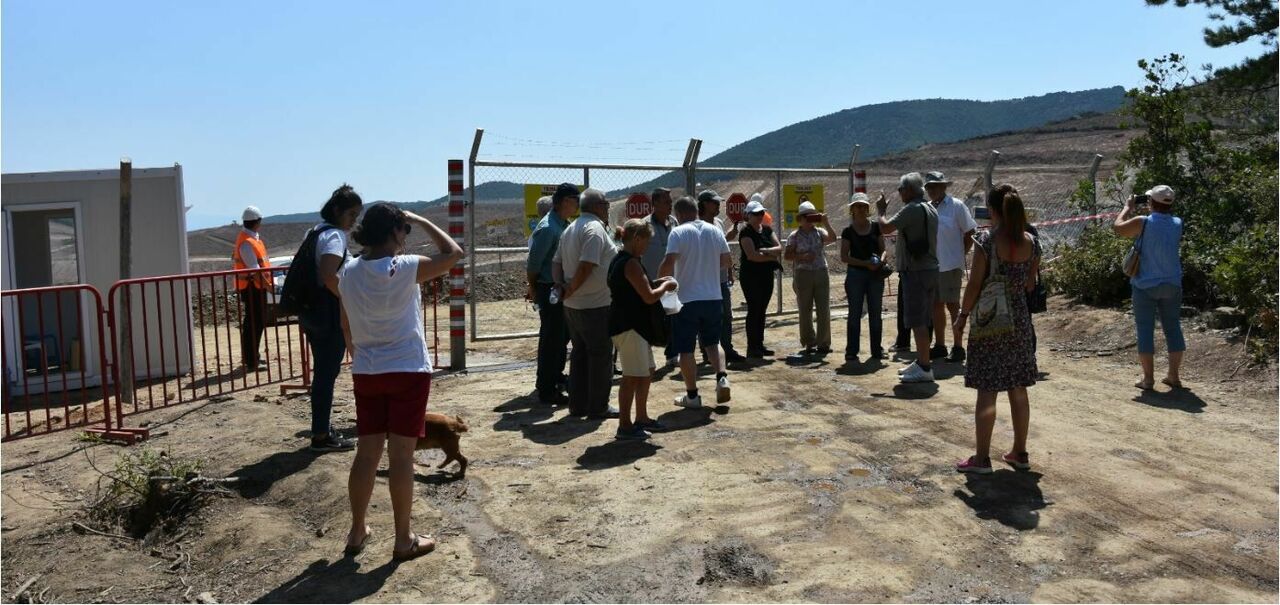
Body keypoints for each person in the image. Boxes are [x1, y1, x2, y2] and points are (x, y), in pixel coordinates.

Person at [339, 202, 463, 560]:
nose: (405, 235)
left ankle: (357, 530)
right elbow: (453, 254)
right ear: (395, 231)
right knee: (402, 457)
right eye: (403, 229)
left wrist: (360, 354)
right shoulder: (405, 267)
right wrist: (421, 220)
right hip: (407, 370)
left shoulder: (348, 272)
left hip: (367, 371)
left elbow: (346, 323)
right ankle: (403, 539)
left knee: (367, 454)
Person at [953, 191, 1039, 474]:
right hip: (1020, 322)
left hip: (990, 321)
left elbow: (975, 284)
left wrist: (962, 316)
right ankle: (1020, 452)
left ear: (992, 210)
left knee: (987, 389)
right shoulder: (1032, 242)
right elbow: (1029, 284)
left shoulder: (987, 241)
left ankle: (981, 458)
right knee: (1018, 386)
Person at [303, 186, 364, 452]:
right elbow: (329, 275)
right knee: (326, 374)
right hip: (328, 315)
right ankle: (320, 436)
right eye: (351, 214)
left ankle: (322, 429)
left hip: (312, 313)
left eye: (357, 215)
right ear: (337, 211)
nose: (354, 221)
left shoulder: (315, 231)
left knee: (323, 373)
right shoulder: (334, 237)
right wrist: (348, 298)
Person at [609, 219, 679, 440]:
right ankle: (625, 426)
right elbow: (648, 296)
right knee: (631, 377)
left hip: (634, 327)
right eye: (646, 242)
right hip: (630, 327)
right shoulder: (630, 263)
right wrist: (665, 286)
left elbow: (639, 287)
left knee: (647, 371)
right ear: (637, 239)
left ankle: (641, 417)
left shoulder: (623, 260)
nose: (647, 247)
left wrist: (657, 281)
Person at [660, 196, 732, 408]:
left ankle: (692, 396)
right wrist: (707, 268)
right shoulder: (715, 230)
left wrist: (658, 283)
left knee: (686, 349)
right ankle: (722, 377)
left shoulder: (678, 232)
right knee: (713, 342)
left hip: (686, 299)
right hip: (713, 297)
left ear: (679, 214)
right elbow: (727, 261)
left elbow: (669, 262)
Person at [554, 188, 619, 419]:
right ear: (597, 206)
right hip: (595, 306)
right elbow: (587, 265)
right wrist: (569, 289)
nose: (608, 208)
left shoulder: (571, 228)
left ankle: (578, 404)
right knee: (600, 356)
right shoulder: (594, 229)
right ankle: (598, 407)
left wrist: (561, 287)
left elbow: (556, 262)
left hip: (574, 306)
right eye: (606, 204)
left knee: (580, 355)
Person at [1113, 185, 1185, 390]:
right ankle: (1173, 376)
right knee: (1173, 328)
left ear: (1151, 202)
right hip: (1172, 283)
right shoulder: (1178, 223)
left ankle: (1148, 379)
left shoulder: (1142, 222)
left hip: (1145, 284)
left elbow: (1118, 228)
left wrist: (1127, 208)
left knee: (1145, 329)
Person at [877, 172, 939, 383]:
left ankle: (924, 367)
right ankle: (922, 361)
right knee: (924, 318)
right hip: (929, 269)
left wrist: (881, 211)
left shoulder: (912, 209)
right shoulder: (930, 208)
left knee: (917, 321)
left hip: (916, 271)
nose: (899, 192)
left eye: (901, 189)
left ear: (910, 190)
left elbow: (886, 227)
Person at [526, 183, 579, 406]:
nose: (577, 204)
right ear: (565, 201)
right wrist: (534, 288)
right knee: (552, 340)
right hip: (549, 288)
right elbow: (534, 264)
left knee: (560, 338)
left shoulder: (562, 224)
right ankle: (546, 389)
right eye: (575, 200)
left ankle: (555, 377)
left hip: (558, 289)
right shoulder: (548, 228)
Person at [925, 171, 977, 363]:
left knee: (953, 305)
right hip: (933, 266)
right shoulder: (927, 208)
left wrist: (959, 254)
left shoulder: (956, 206)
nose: (931, 190)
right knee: (935, 305)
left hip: (951, 265)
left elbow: (970, 232)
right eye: (929, 187)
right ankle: (940, 345)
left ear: (943, 187)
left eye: (935, 186)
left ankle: (958, 347)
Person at [697, 190, 746, 363]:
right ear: (705, 204)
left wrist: (729, 271)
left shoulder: (718, 222)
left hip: (721, 279)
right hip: (705, 280)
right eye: (715, 202)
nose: (718, 205)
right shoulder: (697, 226)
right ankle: (708, 352)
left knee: (726, 315)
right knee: (707, 317)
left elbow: (722, 247)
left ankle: (726, 349)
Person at [784, 201, 836, 358]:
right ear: (800, 218)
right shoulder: (794, 236)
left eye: (812, 216)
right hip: (803, 274)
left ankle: (823, 343)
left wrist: (826, 222)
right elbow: (787, 256)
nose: (809, 219)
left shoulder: (820, 232)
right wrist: (802, 257)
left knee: (823, 308)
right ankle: (809, 341)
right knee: (805, 309)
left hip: (821, 272)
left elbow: (833, 238)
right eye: (807, 216)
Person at [840, 193, 887, 362]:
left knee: (876, 313)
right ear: (852, 209)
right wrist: (865, 263)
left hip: (875, 274)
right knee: (854, 313)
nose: (860, 209)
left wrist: (880, 261)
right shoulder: (847, 232)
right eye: (857, 206)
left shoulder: (876, 227)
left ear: (868, 209)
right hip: (855, 275)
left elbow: (884, 249)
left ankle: (877, 350)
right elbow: (844, 256)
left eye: (863, 206)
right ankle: (851, 351)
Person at [737, 198, 783, 358]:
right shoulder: (745, 232)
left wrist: (765, 251)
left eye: (761, 213)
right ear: (748, 216)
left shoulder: (767, 230)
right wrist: (771, 257)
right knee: (754, 309)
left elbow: (779, 248)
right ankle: (752, 347)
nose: (759, 216)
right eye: (756, 213)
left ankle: (759, 344)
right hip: (751, 277)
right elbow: (752, 256)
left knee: (762, 309)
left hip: (766, 276)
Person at [641, 188, 680, 367]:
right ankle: (647, 360)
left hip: (670, 282)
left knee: (672, 318)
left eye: (670, 201)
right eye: (666, 201)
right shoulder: (644, 225)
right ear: (655, 203)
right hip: (649, 282)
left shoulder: (674, 222)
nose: (670, 204)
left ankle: (672, 354)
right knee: (649, 321)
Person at [232, 206, 271, 373]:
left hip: (255, 287)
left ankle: (253, 355)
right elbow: (255, 271)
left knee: (256, 323)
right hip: (252, 288)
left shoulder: (253, 240)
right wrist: (269, 286)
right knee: (253, 324)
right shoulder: (247, 243)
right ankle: (251, 360)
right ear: (257, 222)